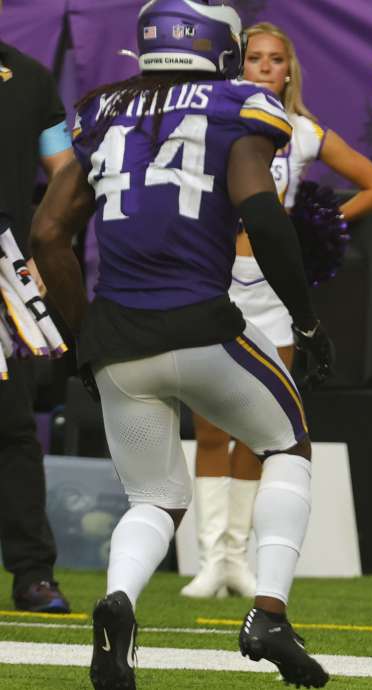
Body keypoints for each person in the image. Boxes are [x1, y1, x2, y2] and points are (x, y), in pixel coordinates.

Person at [29, 1, 333, 687]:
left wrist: (85, 339)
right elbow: (261, 209)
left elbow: (49, 233)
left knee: (155, 498)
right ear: (222, 47)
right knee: (288, 445)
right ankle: (269, 614)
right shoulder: (240, 105)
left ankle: (120, 603)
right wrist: (306, 321)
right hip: (200, 324)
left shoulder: (101, 109)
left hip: (117, 336)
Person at [181, 20, 372, 600]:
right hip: (217, 282)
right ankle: (211, 559)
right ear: (238, 64)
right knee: (208, 428)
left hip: (274, 292)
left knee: (259, 425)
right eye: (255, 58)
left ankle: (241, 559)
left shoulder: (301, 132)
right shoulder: (215, 126)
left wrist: (316, 227)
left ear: (289, 70)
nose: (267, 68)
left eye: (277, 60)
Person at [0, 22, 74, 614]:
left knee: (12, 426)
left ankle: (32, 574)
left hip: (3, 272)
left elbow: (64, 172)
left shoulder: (28, 76)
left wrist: (43, 245)